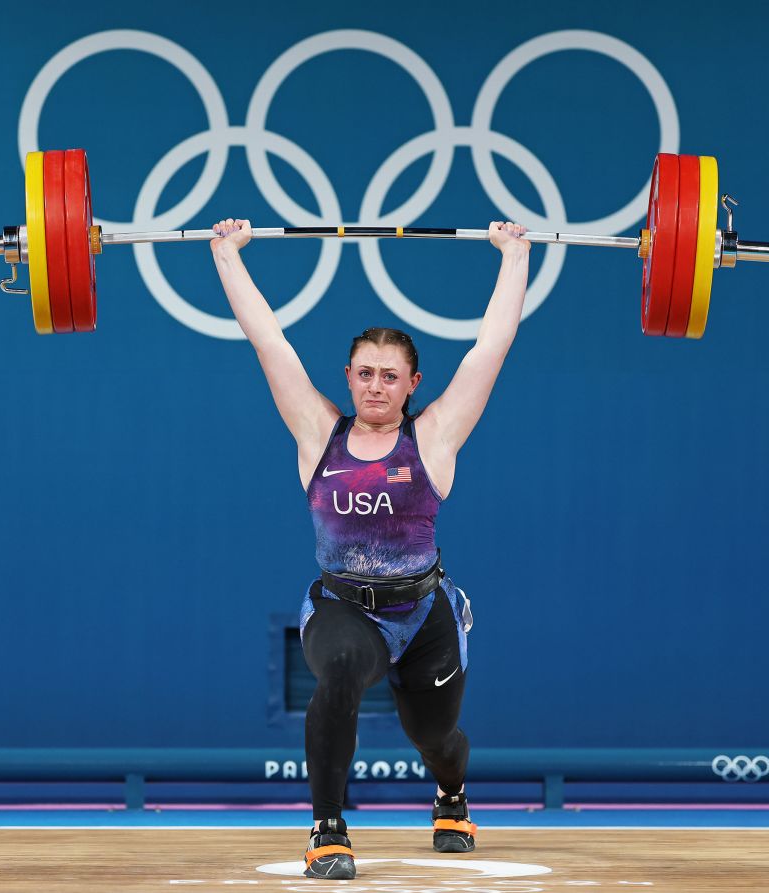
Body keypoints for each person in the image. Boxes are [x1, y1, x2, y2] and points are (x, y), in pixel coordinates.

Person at [210, 218, 530, 880]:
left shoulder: (433, 439)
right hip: (343, 606)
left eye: (390, 375)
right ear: (348, 376)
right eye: (364, 373)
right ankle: (328, 829)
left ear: (413, 383)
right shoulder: (317, 432)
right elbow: (267, 341)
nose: (375, 386)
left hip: (423, 614)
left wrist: (515, 256)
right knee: (340, 674)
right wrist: (225, 254)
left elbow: (490, 348)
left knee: (434, 736)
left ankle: (451, 797)